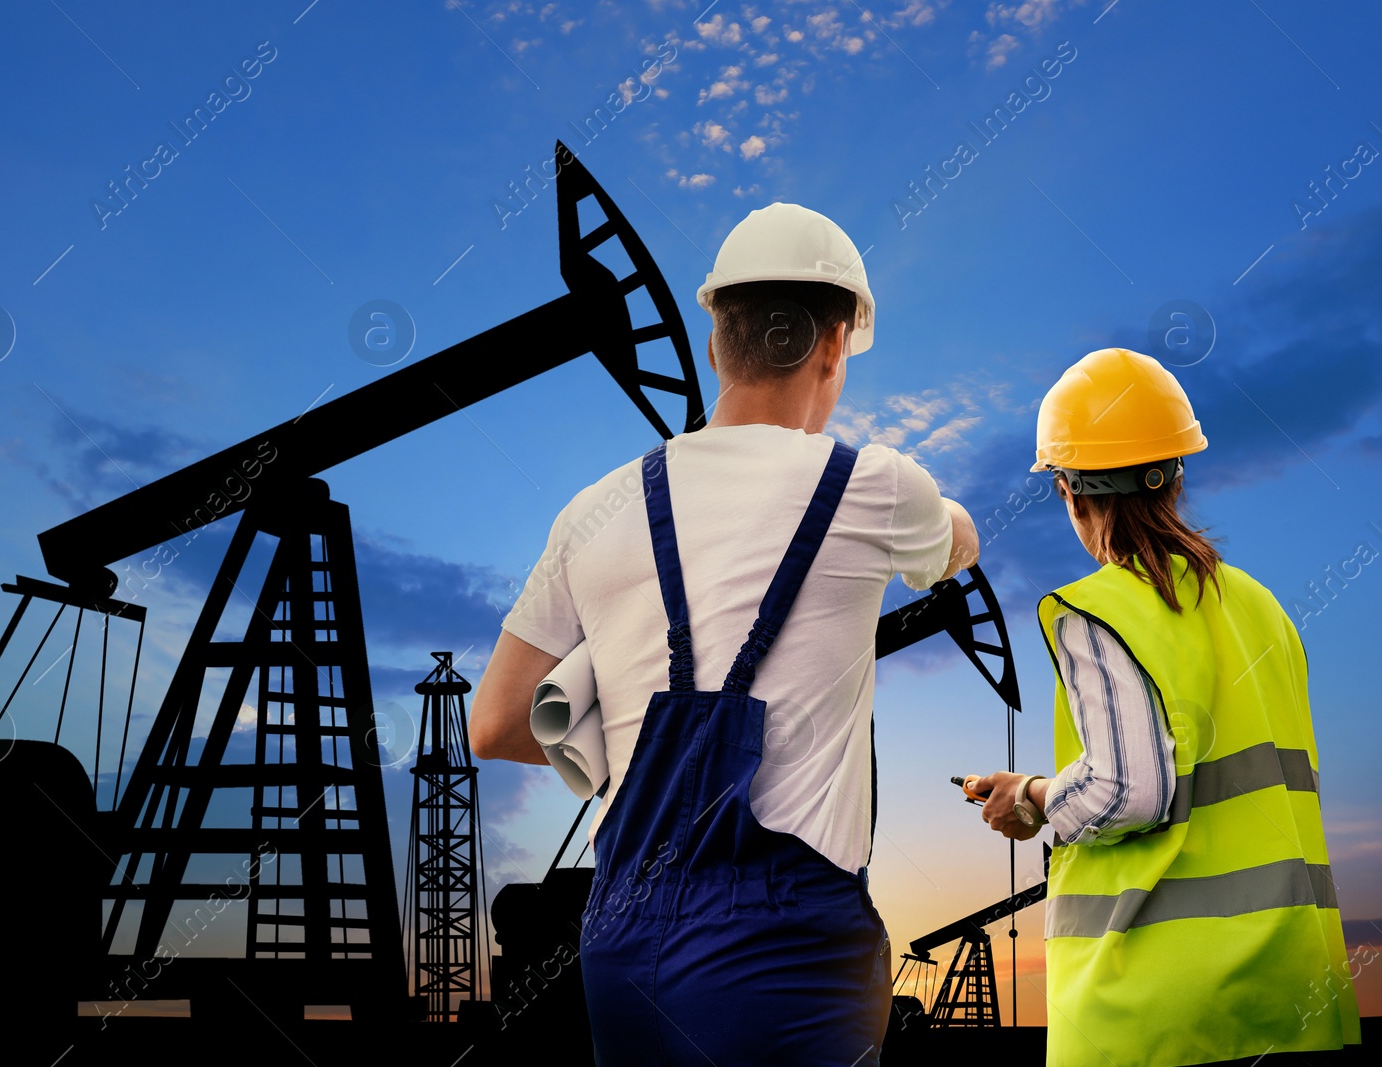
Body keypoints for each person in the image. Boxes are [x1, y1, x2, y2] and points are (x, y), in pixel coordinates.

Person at [469, 202, 979, 1066]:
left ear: (715, 346)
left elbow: (495, 724)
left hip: (624, 937)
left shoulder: (591, 512)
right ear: (833, 344)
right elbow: (956, 545)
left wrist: (613, 742)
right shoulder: (879, 487)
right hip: (790, 946)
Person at [970, 348, 1361, 1066]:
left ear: (1071, 492)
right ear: (1177, 476)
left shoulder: (1099, 611)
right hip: (1292, 993)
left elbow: (1128, 790)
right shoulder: (1262, 608)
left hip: (1159, 1014)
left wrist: (1032, 795)